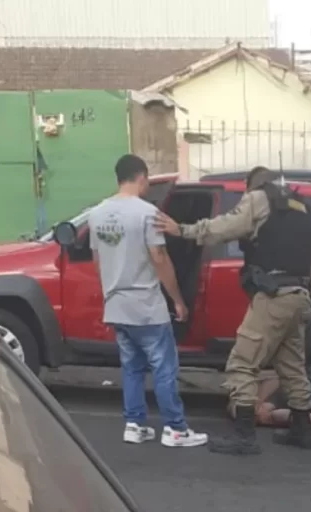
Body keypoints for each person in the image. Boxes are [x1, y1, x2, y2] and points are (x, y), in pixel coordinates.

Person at [154, 166, 311, 456]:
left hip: (274, 295)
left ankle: (244, 436)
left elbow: (225, 227)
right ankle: (302, 429)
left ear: (251, 185)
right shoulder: (305, 208)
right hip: (300, 294)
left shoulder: (259, 199)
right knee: (291, 364)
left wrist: (182, 230)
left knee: (242, 362)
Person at [89, 154, 207, 447]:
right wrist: (177, 299)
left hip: (116, 305)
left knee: (131, 367)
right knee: (164, 367)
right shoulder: (147, 213)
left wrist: (110, 291)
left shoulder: (97, 213)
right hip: (146, 306)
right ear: (142, 178)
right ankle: (175, 429)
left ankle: (135, 424)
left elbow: (97, 260)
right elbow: (159, 257)